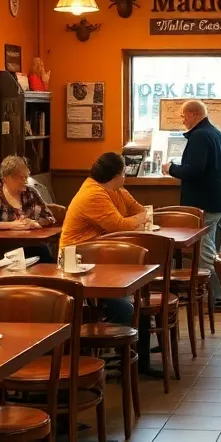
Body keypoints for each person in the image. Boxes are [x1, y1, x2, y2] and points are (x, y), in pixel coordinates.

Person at [59, 152, 153, 363]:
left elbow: (137, 210)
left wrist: (137, 217)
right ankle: (128, 358)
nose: (125, 177)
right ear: (118, 174)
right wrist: (138, 219)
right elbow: (120, 224)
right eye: (123, 172)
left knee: (135, 300)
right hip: (78, 263)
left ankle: (135, 357)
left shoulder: (115, 190)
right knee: (126, 306)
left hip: (99, 260)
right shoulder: (94, 194)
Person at [164, 99, 221, 310]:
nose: (182, 120)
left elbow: (194, 170)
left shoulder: (200, 136)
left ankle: (215, 298)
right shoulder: (215, 133)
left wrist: (171, 168)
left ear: (192, 114)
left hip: (203, 202)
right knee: (208, 248)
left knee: (205, 252)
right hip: (214, 198)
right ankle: (212, 297)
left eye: (183, 116)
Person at [0, 154, 56, 262]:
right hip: (4, 249)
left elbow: (50, 217)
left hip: (32, 245)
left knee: (43, 253)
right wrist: (11, 225)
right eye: (21, 177)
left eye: (26, 177)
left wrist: (35, 222)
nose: (25, 181)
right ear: (7, 178)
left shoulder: (31, 193)